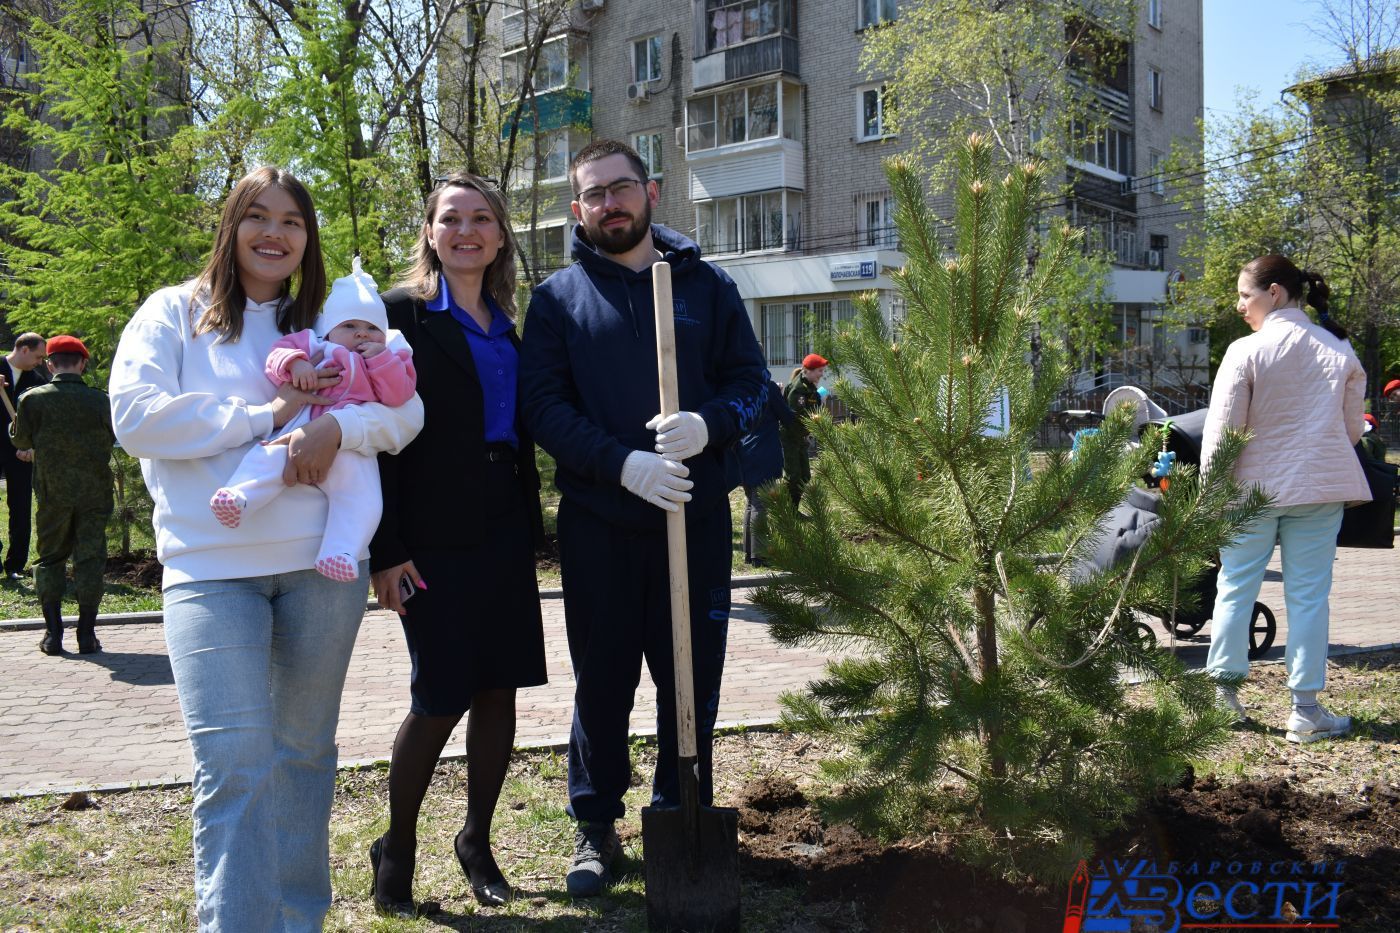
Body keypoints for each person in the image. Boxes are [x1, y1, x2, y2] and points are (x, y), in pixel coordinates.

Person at [108, 166, 423, 930]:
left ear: (308, 237)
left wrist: (336, 427)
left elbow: (406, 412)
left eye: (292, 220)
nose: (274, 233)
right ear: (231, 225)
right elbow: (136, 417)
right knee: (234, 761)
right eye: (258, 216)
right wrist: (264, 416)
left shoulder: (330, 318)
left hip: (322, 570)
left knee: (304, 754)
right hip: (210, 572)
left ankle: (297, 920)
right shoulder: (174, 313)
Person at [519, 139, 767, 897]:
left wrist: (709, 424)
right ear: (578, 209)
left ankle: (679, 811)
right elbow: (542, 408)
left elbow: (754, 383)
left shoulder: (708, 287)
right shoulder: (558, 300)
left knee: (691, 677)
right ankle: (596, 826)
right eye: (594, 194)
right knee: (602, 680)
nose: (610, 204)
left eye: (620, 188)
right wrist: (621, 463)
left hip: (694, 518)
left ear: (650, 190)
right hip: (600, 525)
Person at [367, 173, 547, 916]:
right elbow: (373, 439)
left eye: (481, 219)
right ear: (430, 233)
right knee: (439, 694)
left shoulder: (509, 324)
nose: (466, 231)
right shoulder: (396, 316)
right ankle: (397, 848)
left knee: (498, 688)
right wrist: (385, 548)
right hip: (429, 534)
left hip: (504, 525)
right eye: (451, 219)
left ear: (501, 237)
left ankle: (476, 840)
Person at [1202, 254, 1368, 744]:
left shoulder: (1244, 351)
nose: (1239, 306)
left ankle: (1224, 699)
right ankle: (1306, 711)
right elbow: (1351, 430)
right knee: (1309, 596)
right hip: (1319, 489)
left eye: (1245, 295)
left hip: (1250, 492)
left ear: (1274, 292)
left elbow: (1223, 434)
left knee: (1235, 588)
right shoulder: (1338, 347)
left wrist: (1208, 496)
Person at [211, 257, 416, 582]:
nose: (361, 334)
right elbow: (277, 354)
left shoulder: (391, 356)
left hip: (351, 449)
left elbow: (399, 395)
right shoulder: (316, 345)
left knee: (364, 499)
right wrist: (297, 365)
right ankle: (239, 496)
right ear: (330, 328)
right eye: (350, 326)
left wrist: (382, 361)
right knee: (268, 457)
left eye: (372, 328)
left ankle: (340, 551)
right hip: (301, 430)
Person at [10, 336, 113, 656]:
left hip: (52, 492)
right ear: (83, 364)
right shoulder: (101, 401)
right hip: (94, 492)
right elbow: (116, 436)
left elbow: (20, 440)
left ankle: (53, 635)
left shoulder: (32, 399)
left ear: (50, 364)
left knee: (50, 558)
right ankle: (86, 633)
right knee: (90, 558)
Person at [0, 332, 50, 579]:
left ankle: (15, 565)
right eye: (38, 356)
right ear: (24, 350)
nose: (40, 362)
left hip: (20, 452)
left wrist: (31, 446)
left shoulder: (36, 381)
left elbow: (40, 421)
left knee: (20, 506)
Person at [739, 378, 796, 567]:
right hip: (764, 453)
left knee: (751, 504)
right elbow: (787, 417)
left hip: (744, 451)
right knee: (760, 505)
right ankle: (760, 555)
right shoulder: (768, 387)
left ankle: (749, 553)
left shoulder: (740, 386)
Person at [781, 352, 827, 507]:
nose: (822, 374)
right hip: (791, 438)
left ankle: (793, 510)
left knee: (805, 476)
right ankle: (788, 511)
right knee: (793, 476)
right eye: (819, 371)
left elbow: (812, 409)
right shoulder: (798, 390)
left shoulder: (809, 387)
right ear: (808, 371)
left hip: (800, 437)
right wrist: (814, 423)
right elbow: (798, 416)